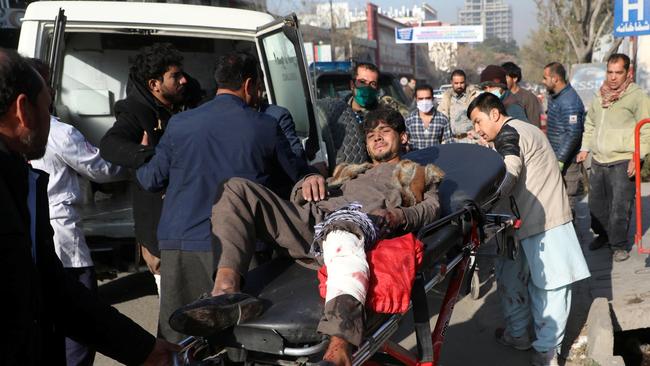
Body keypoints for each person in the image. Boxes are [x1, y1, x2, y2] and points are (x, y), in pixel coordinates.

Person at [180, 107, 440, 366]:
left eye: (385, 131)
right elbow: (303, 196)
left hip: (357, 223)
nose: (377, 137)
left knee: (342, 228)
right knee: (234, 188)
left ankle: (339, 346)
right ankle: (225, 293)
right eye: (371, 134)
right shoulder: (348, 171)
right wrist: (307, 184)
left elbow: (431, 208)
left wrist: (398, 216)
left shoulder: (418, 173)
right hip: (312, 222)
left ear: (403, 137)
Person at [0, 47, 178, 366]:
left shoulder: (17, 177)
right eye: (47, 105)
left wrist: (141, 349)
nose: (51, 116)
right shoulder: (57, 138)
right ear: (23, 111)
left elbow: (56, 293)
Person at [136, 51, 305, 342]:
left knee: (180, 342)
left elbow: (151, 179)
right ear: (250, 84)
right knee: (241, 343)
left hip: (181, 246)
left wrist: (143, 153)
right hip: (241, 248)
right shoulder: (265, 126)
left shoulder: (180, 124)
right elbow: (295, 178)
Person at [468, 92, 590, 366]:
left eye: (478, 121)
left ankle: (546, 352)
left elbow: (510, 170)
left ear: (495, 114)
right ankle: (518, 335)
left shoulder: (509, 133)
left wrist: (483, 203)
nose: (477, 129)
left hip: (545, 222)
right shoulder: (524, 130)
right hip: (520, 222)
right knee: (512, 279)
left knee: (549, 288)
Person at [27, 58, 126, 366]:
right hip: (63, 239)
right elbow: (100, 169)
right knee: (81, 327)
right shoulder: (59, 132)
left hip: (35, 238)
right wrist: (134, 161)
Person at [100, 43, 189, 295]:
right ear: (154, 85)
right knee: (172, 303)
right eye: (175, 76)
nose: (183, 80)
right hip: (158, 229)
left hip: (189, 225)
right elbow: (110, 145)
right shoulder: (135, 112)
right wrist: (154, 155)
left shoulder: (185, 98)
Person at [576, 53, 650, 262]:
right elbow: (590, 124)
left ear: (628, 72)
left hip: (623, 159)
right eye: (610, 72)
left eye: (618, 72)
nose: (613, 77)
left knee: (620, 206)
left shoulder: (637, 96)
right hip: (599, 159)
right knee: (596, 205)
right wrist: (585, 148)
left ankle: (618, 245)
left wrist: (638, 157)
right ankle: (603, 236)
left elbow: (646, 129)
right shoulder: (600, 95)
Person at [541, 62, 585, 215]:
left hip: (567, 162)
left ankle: (572, 237)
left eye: (545, 78)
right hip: (558, 157)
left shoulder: (569, 101)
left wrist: (560, 159)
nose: (543, 81)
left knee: (567, 203)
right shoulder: (557, 97)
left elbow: (573, 133)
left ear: (555, 79)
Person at [437, 69, 481, 143]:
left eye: (462, 83)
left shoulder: (473, 96)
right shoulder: (447, 98)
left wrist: (476, 135)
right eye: (456, 83)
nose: (459, 86)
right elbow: (440, 119)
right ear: (451, 83)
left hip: (470, 140)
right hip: (451, 141)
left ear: (465, 81)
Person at [405, 84, 453, 150]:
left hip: (436, 159)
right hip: (414, 159)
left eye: (427, 98)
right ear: (416, 99)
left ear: (432, 98)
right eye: (421, 99)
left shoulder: (442, 119)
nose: (424, 102)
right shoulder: (409, 120)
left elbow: (449, 144)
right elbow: (404, 143)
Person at [502, 61, 542, 128]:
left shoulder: (529, 98)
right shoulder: (502, 97)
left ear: (514, 78)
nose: (502, 80)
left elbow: (535, 125)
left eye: (505, 77)